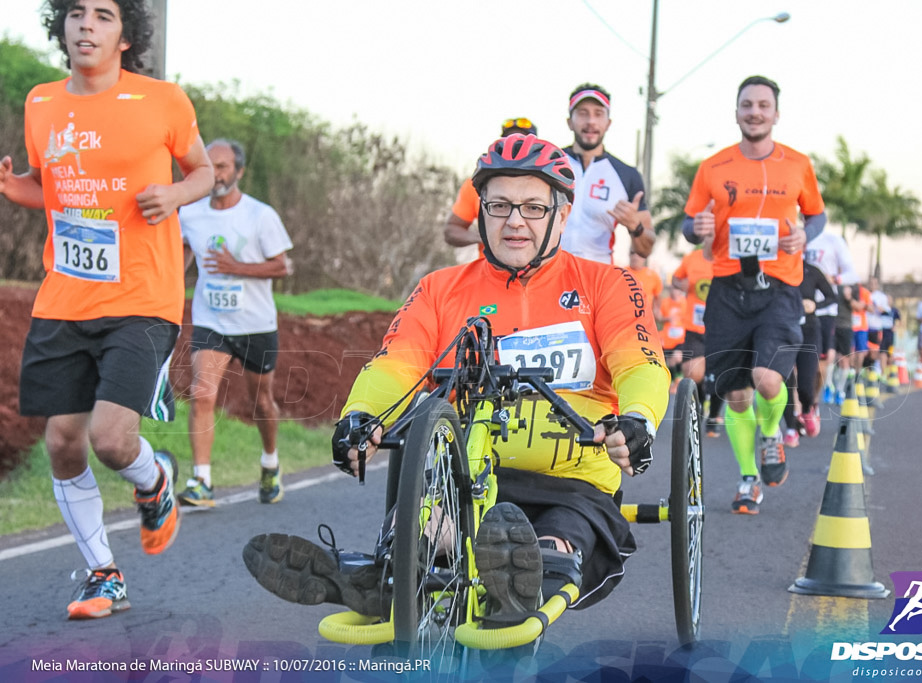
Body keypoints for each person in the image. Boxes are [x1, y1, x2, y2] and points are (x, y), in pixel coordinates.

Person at [243, 134, 669, 621]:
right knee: (419, 535)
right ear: (481, 212)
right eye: (500, 205)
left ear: (562, 214)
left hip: (572, 483)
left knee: (550, 553)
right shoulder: (439, 289)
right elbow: (396, 363)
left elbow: (640, 363)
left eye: (532, 207)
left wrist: (637, 419)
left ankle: (517, 580)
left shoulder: (608, 285)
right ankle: (385, 577)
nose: (514, 221)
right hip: (464, 480)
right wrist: (360, 417)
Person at [0, 0, 213, 619]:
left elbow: (200, 172)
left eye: (103, 15)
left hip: (142, 298)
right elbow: (54, 186)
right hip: (64, 295)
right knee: (63, 441)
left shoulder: (162, 101)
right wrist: (20, 191)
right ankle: (102, 573)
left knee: (110, 439)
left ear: (125, 36)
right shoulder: (41, 102)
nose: (86, 25)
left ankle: (154, 481)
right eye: (76, 14)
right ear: (61, 27)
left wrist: (174, 192)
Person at [681, 75, 826, 515]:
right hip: (728, 288)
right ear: (737, 112)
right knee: (736, 393)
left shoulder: (798, 164)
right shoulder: (714, 166)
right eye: (747, 105)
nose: (755, 112)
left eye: (763, 105)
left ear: (776, 114)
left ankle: (773, 436)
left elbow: (816, 216)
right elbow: (689, 224)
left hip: (780, 285)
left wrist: (804, 234)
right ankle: (749, 481)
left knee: (767, 380)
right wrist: (697, 229)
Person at [177, 139, 294, 506]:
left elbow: (282, 266)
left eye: (224, 166)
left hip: (256, 324)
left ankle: (270, 463)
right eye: (210, 166)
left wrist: (235, 267)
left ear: (239, 172)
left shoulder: (260, 215)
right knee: (202, 393)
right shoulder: (191, 214)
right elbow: (179, 260)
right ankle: (202, 481)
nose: (217, 174)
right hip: (211, 321)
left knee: (260, 401)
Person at [561, 84, 654, 264]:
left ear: (608, 123)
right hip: (547, 275)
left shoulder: (627, 175)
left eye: (598, 113)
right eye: (582, 113)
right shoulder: (548, 163)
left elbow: (645, 250)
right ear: (570, 122)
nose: (591, 121)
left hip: (598, 277)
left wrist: (635, 225)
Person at [443, 117, 538, 251]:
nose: (514, 146)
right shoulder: (475, 184)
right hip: (489, 268)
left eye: (521, 142)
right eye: (507, 141)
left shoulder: (547, 185)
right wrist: (482, 236)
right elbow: (452, 229)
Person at [670, 243, 723, 437]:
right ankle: (699, 407)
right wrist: (683, 285)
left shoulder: (726, 257)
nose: (711, 237)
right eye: (708, 234)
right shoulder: (692, 258)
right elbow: (676, 278)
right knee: (692, 373)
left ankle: (714, 416)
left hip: (720, 328)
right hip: (694, 327)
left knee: (719, 375)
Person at [782, 261, 837, 446]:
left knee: (806, 385)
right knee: (786, 381)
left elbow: (831, 296)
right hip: (782, 330)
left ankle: (807, 409)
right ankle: (791, 428)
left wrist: (815, 305)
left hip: (809, 331)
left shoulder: (811, 271)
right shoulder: (776, 267)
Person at [804, 229, 857, 405]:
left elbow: (852, 273)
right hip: (799, 309)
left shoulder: (833, 240)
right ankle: (799, 408)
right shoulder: (796, 234)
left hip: (825, 311)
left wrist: (834, 279)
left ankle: (814, 401)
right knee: (798, 365)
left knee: (821, 364)